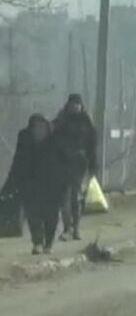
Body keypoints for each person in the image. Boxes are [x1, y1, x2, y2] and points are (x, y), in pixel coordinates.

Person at [1, 114, 66, 255]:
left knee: (51, 215)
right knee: (33, 215)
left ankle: (48, 243)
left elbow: (62, 161)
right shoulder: (24, 138)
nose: (38, 131)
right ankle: (37, 242)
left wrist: (64, 181)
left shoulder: (54, 138)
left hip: (52, 183)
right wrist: (10, 184)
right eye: (35, 128)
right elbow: (19, 161)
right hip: (31, 182)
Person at [53, 93, 97, 241]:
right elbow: (54, 138)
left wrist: (93, 164)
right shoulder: (62, 119)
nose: (74, 107)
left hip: (80, 163)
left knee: (76, 197)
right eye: (72, 104)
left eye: (76, 104)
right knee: (63, 197)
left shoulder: (86, 120)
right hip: (62, 162)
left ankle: (76, 228)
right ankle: (66, 229)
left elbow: (92, 143)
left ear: (80, 105)